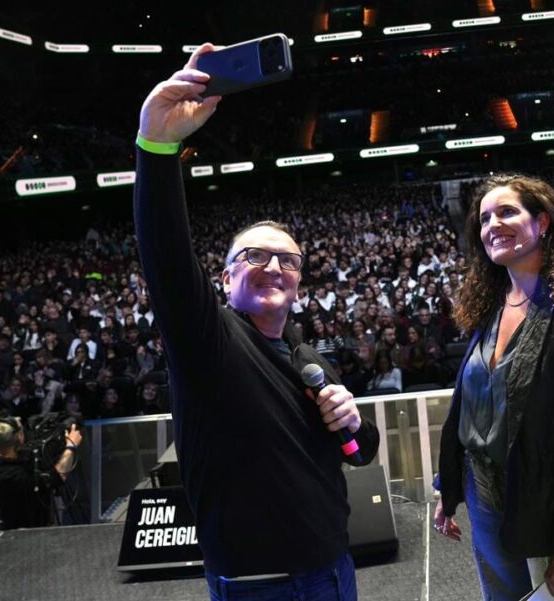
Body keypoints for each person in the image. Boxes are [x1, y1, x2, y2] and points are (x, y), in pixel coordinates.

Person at [133, 44, 379, 601]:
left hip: (335, 570)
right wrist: (156, 147)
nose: (274, 266)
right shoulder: (208, 340)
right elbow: (166, 255)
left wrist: (354, 423)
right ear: (224, 279)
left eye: (288, 260)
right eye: (255, 257)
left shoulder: (305, 356)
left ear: (299, 281)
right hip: (262, 585)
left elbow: (359, 454)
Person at [434, 174, 554, 601]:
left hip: (546, 503)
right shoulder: (494, 306)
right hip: (484, 494)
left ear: (542, 223)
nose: (493, 224)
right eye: (484, 218)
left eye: (507, 212)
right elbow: (472, 407)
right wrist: (450, 486)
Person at [0, 416, 82, 529]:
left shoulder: (2, 455)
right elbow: (55, 478)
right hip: (24, 530)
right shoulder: (6, 474)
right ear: (19, 437)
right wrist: (71, 447)